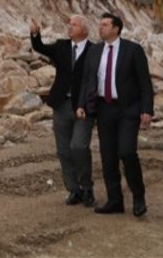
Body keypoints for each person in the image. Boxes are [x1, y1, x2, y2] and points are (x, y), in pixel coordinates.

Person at [77, 12, 154, 217]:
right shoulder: (94, 51)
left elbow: (145, 82)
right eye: (100, 24)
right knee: (108, 157)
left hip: (128, 109)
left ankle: (138, 197)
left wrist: (147, 109)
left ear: (116, 29)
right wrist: (82, 104)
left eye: (104, 24)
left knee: (127, 152)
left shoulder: (133, 50)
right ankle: (115, 200)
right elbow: (87, 80)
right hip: (104, 109)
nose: (100, 27)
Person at [30, 15, 95, 207]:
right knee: (64, 151)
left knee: (79, 147)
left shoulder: (95, 51)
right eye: (69, 24)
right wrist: (35, 34)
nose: (70, 27)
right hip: (61, 104)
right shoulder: (61, 46)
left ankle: (87, 187)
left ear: (84, 30)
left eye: (74, 25)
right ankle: (74, 190)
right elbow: (40, 48)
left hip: (84, 107)